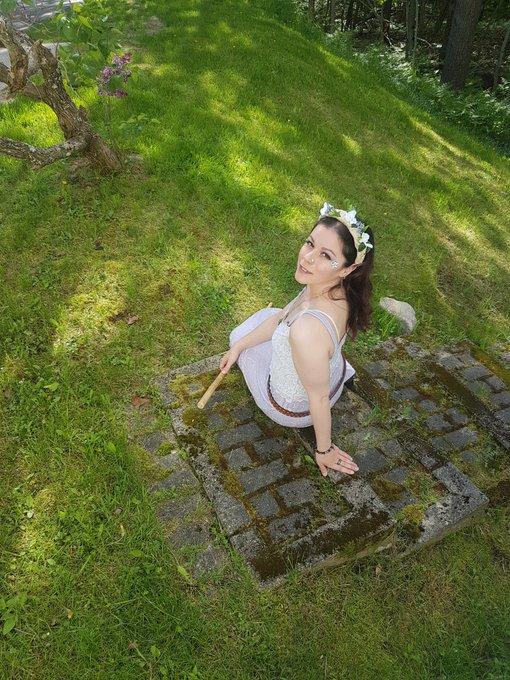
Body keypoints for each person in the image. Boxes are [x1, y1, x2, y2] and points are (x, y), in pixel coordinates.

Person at [219, 202, 374, 478]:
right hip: (333, 375)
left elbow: (319, 397)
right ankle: (247, 344)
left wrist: (324, 450)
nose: (307, 258)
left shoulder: (306, 330)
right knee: (269, 318)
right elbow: (282, 317)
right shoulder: (336, 289)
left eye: (326, 255)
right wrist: (241, 347)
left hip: (294, 408)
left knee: (237, 334)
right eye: (310, 243)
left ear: (347, 269)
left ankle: (244, 346)